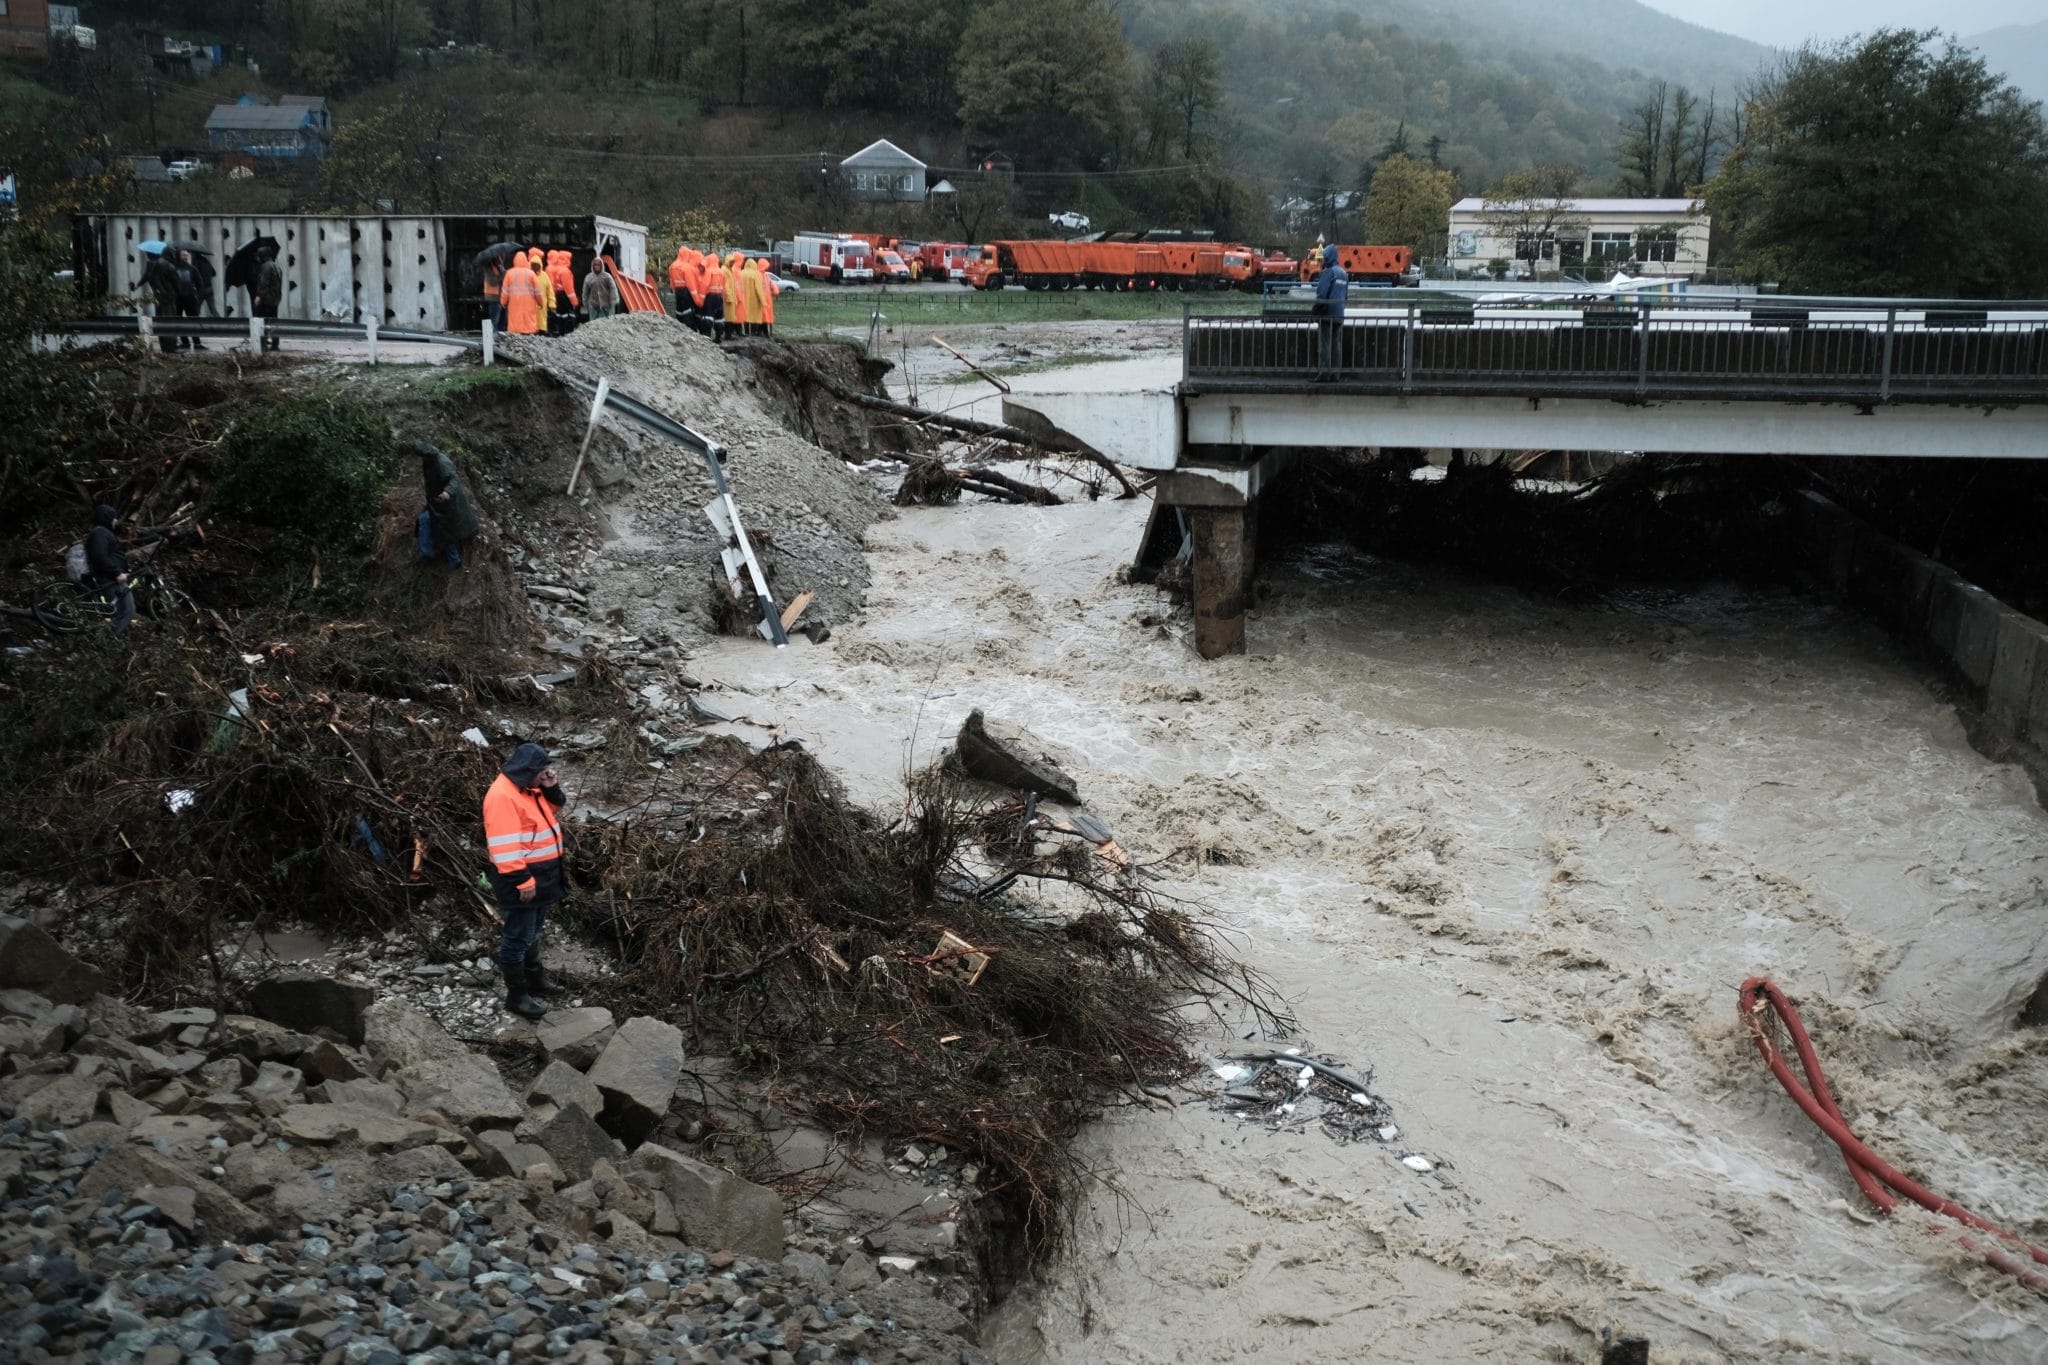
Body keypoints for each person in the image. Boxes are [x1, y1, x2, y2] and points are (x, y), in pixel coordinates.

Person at [482, 743, 568, 1020]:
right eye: (542, 771)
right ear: (529, 770)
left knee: (533, 931)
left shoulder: (528, 788)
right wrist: (522, 881)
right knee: (517, 937)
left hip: (541, 876)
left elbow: (552, 809)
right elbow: (504, 847)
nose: (546, 775)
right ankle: (516, 996)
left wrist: (551, 787)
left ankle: (535, 981)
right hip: (521, 879)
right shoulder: (502, 796)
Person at [412, 439, 477, 568]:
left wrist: (447, 492)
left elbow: (454, 478)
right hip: (436, 502)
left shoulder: (442, 462)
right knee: (424, 519)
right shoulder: (429, 461)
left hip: (447, 504)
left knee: (445, 530)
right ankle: (426, 552)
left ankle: (454, 560)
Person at [83, 503, 134, 637]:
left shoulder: (102, 533)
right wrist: (117, 573)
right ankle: (106, 640)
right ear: (106, 518)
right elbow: (99, 556)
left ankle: (108, 638)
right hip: (110, 578)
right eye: (113, 517)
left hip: (111, 577)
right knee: (125, 610)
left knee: (123, 610)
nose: (115, 520)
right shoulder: (100, 533)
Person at [1312, 243, 1348, 381]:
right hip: (1339, 313)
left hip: (1327, 313)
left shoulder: (1328, 272)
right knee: (1336, 344)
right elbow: (1345, 296)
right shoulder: (1343, 273)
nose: (1322, 261)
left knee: (1325, 345)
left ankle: (1324, 374)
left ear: (1327, 257)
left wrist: (1317, 308)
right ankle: (1335, 374)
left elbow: (1322, 293)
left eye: (1323, 258)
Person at [141, 251, 180, 355]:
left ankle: (164, 346)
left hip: (158, 297)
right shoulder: (169, 266)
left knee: (160, 320)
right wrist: (177, 292)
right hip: (169, 296)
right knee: (170, 320)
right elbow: (176, 282)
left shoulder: (153, 265)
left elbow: (148, 277)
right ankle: (171, 346)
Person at [501, 254, 544, 335]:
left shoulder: (509, 273)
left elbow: (505, 290)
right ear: (525, 261)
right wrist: (540, 303)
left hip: (514, 303)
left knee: (515, 318)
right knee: (528, 319)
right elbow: (537, 291)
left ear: (514, 261)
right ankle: (528, 335)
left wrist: (503, 302)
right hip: (529, 303)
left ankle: (516, 334)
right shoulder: (531, 274)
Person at [174, 250, 206, 349]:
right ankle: (185, 342)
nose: (186, 257)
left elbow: (199, 282)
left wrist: (198, 295)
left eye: (186, 255)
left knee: (193, 319)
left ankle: (197, 342)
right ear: (179, 256)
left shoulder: (192, 269)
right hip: (178, 298)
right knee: (178, 320)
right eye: (183, 255)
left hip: (190, 297)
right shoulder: (174, 268)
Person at [252, 245, 283, 352]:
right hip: (275, 299)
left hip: (266, 299)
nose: (258, 258)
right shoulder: (276, 265)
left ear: (263, 255)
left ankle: (263, 344)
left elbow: (263, 283)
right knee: (274, 322)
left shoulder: (265, 267)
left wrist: (259, 296)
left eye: (259, 256)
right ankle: (275, 344)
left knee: (263, 322)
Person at [699, 253, 726, 342]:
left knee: (708, 316)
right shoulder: (721, 271)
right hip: (719, 296)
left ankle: (707, 336)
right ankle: (719, 336)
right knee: (719, 317)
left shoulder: (709, 271)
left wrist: (701, 300)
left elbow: (704, 285)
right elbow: (724, 285)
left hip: (710, 296)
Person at [582, 256, 618, 321]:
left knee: (604, 322)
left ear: (602, 266)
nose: (597, 266)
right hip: (593, 306)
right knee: (593, 323)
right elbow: (585, 291)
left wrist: (614, 300)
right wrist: (585, 302)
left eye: (598, 265)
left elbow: (613, 289)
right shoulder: (588, 277)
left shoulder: (607, 276)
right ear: (592, 266)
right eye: (595, 265)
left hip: (605, 305)